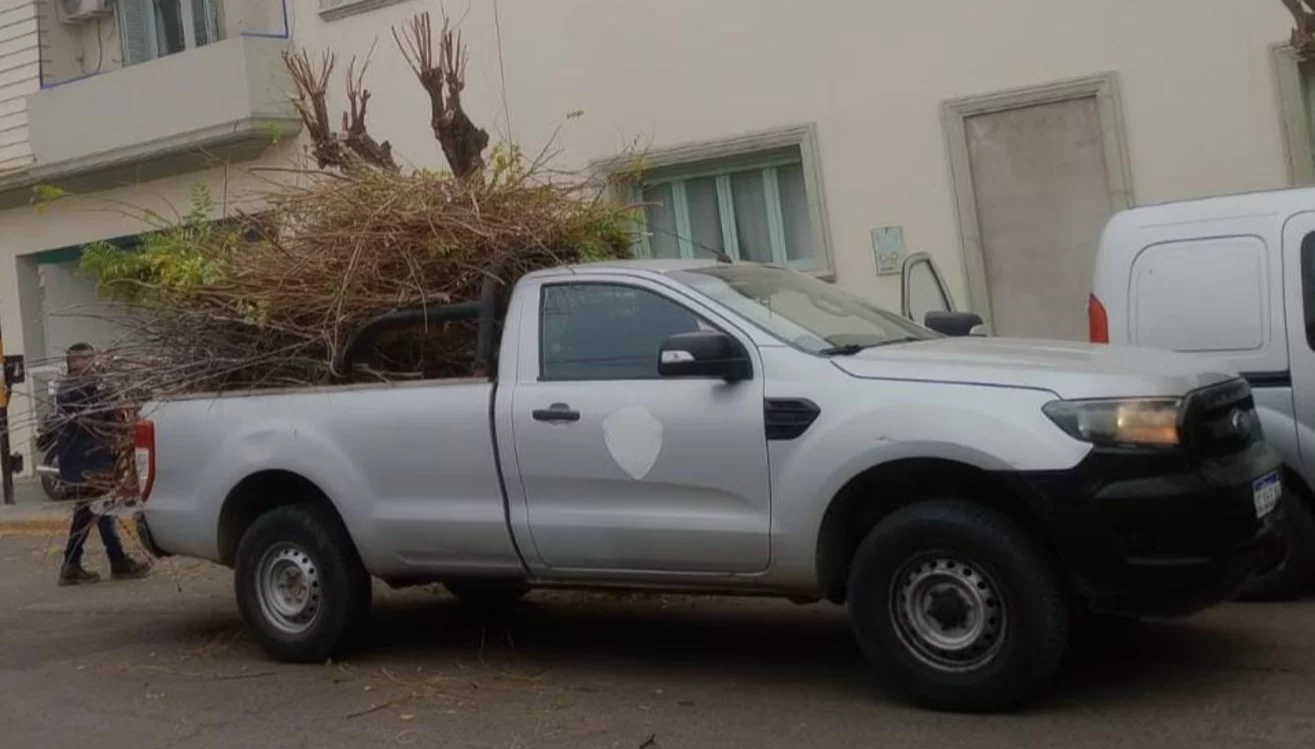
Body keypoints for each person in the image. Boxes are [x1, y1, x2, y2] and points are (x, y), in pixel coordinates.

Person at [57, 343, 149, 586]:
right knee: (99, 509)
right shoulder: (74, 389)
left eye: (91, 359)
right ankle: (113, 562)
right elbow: (94, 416)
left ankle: (75, 564)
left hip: (89, 459)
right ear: (73, 362)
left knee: (91, 511)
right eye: (84, 360)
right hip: (86, 461)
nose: (89, 364)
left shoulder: (82, 387)